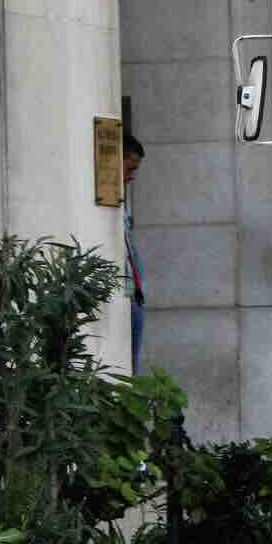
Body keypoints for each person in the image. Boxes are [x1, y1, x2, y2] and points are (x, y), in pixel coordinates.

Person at [123, 135, 146, 377]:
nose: (132, 176)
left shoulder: (121, 205)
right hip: (128, 297)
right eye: (130, 168)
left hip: (134, 297)